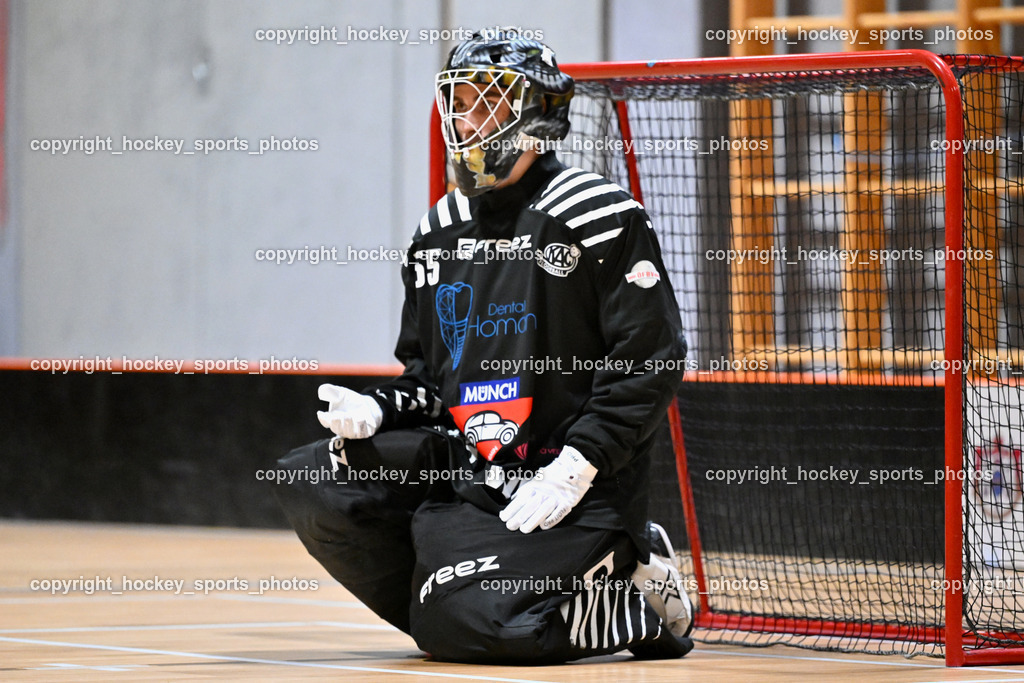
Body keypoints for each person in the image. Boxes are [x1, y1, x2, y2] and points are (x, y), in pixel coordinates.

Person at [273, 27, 693, 664]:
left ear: (540, 114)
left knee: (487, 631)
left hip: (573, 486)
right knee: (313, 477)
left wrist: (576, 466)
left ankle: (633, 596)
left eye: (489, 104)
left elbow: (649, 362)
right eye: (461, 102)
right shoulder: (437, 230)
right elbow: (429, 377)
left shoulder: (599, 215)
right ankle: (454, 602)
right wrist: (382, 408)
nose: (467, 121)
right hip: (473, 471)